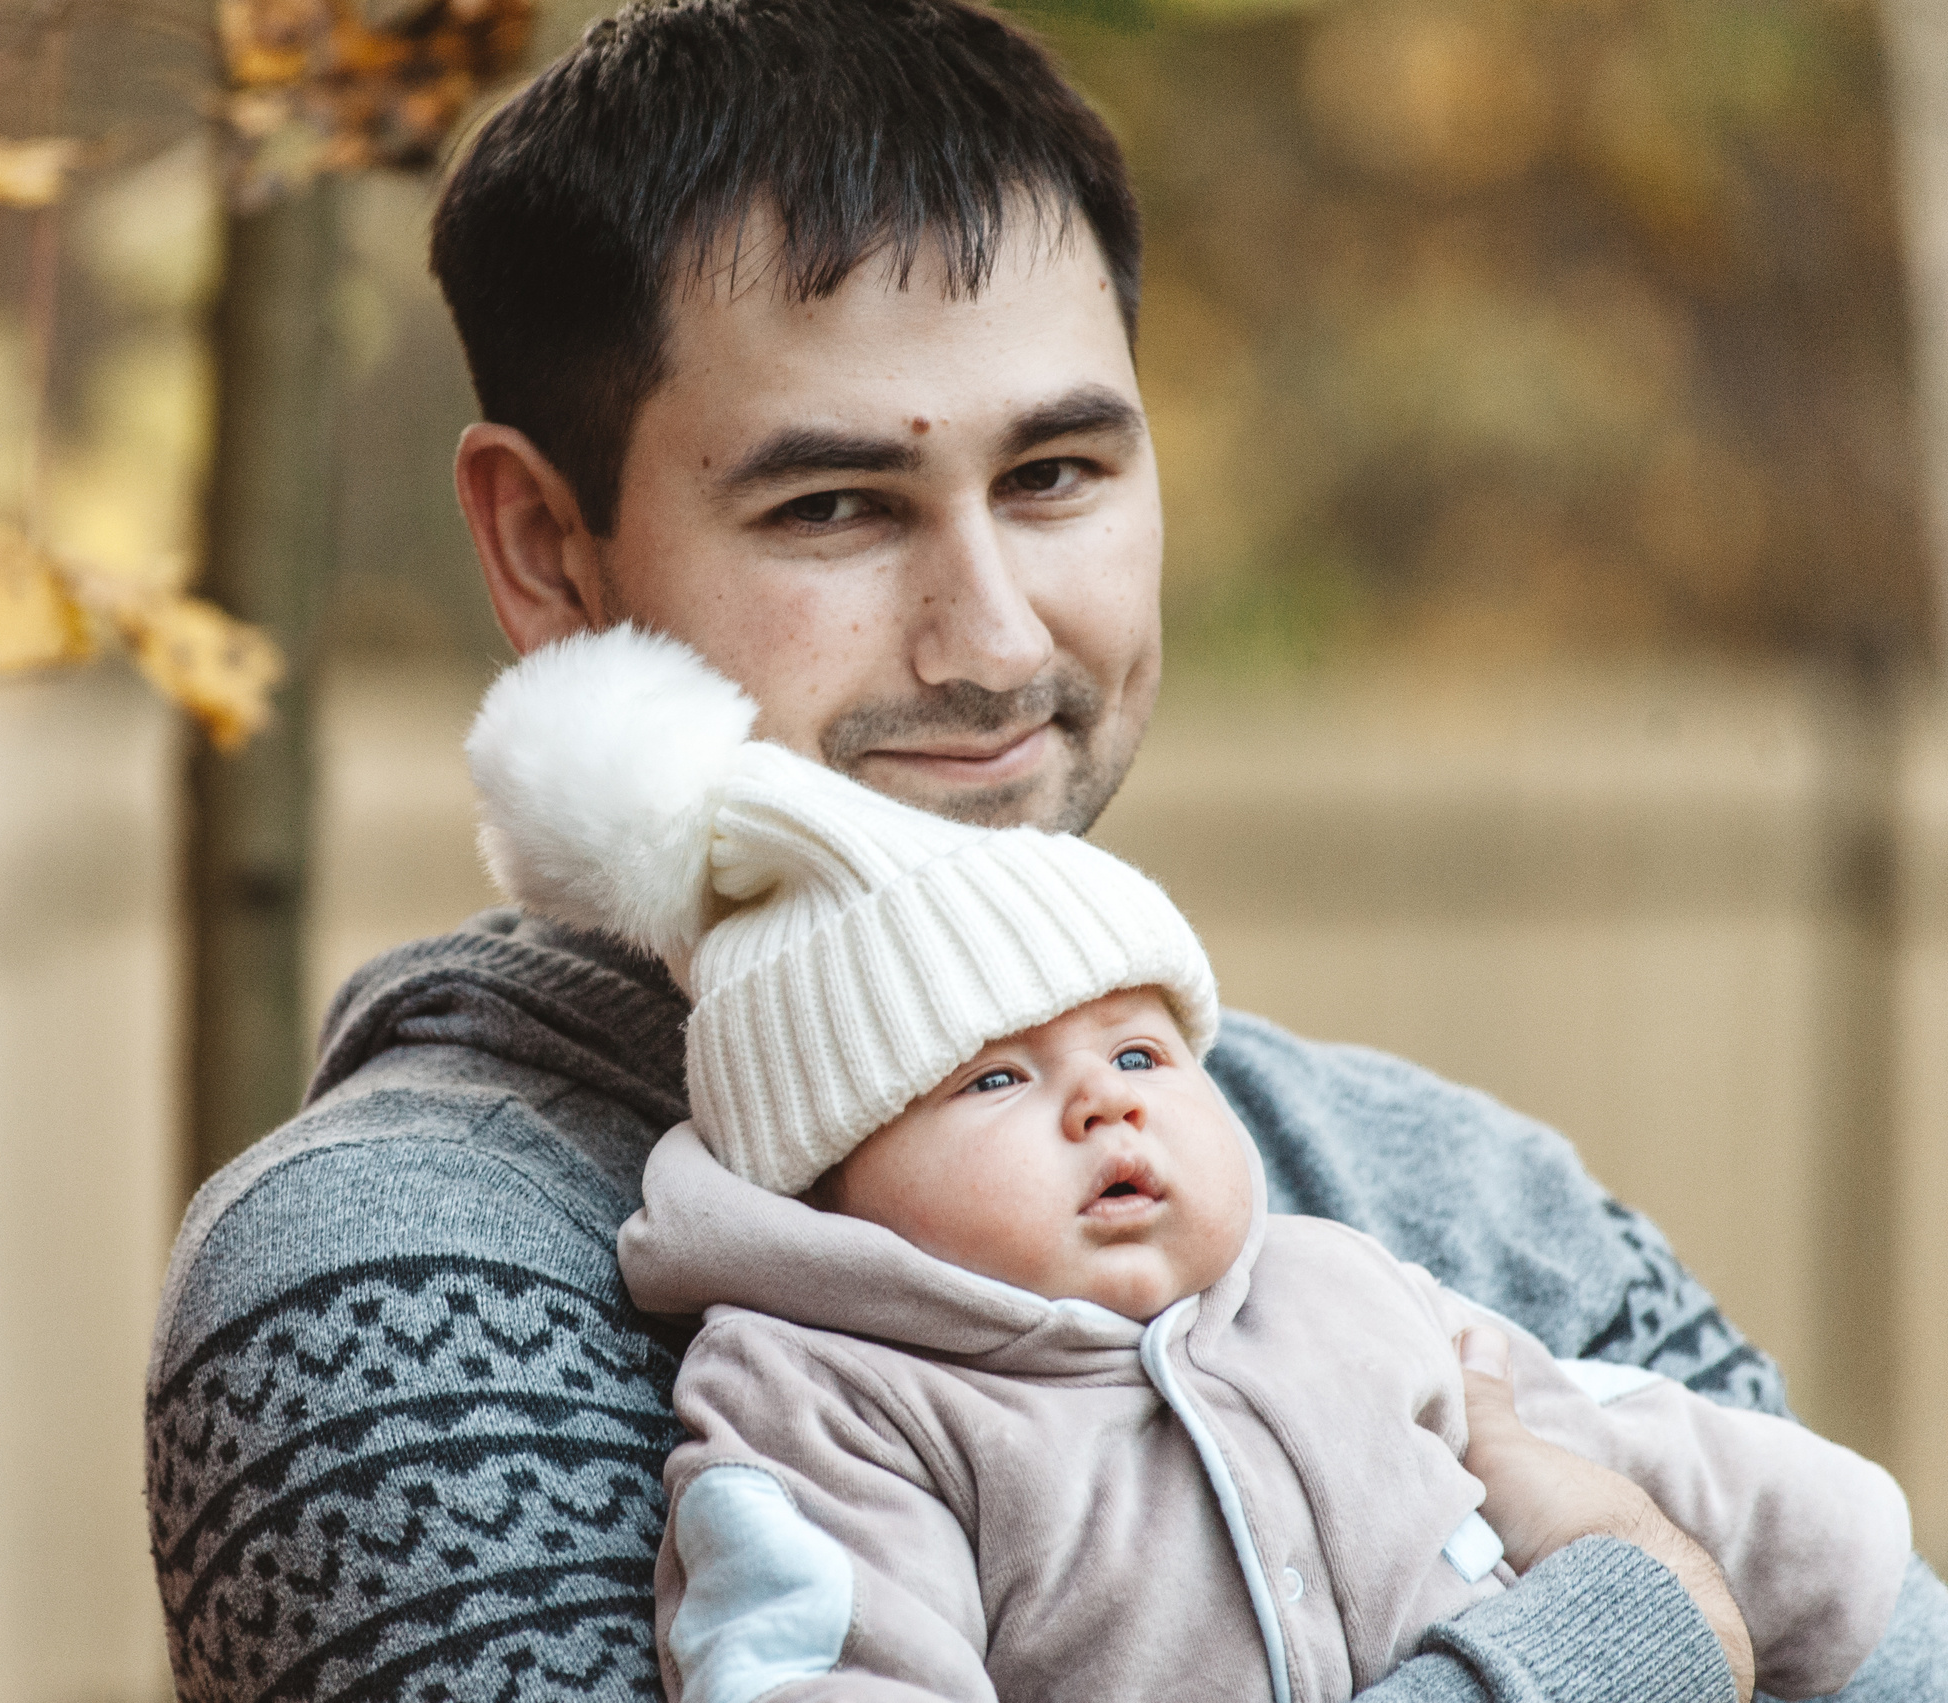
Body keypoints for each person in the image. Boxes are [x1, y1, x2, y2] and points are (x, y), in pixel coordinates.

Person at [142, 2, 1948, 1699]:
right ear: (545, 548)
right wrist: (1623, 1628)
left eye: (1058, 476)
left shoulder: (1463, 1205)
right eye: (833, 503)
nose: (996, 639)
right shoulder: (393, 1294)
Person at [455, 624, 1908, 1703]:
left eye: (1142, 1058)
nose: (1104, 1112)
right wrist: (1630, 1626)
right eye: (998, 1080)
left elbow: (1622, 1439)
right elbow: (815, 1661)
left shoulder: (1341, 1285)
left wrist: (1844, 1569)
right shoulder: (833, 1403)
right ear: (830, 1178)